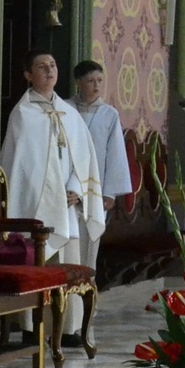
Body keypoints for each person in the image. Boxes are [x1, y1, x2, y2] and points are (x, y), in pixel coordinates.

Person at [0, 50, 105, 277]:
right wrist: (51, 194)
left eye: (53, 65)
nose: (49, 70)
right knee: (40, 274)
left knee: (69, 278)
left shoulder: (70, 113)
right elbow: (20, 167)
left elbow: (84, 158)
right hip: (36, 208)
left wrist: (76, 189)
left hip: (67, 209)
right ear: (28, 75)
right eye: (42, 66)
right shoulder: (22, 114)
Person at [68, 60, 134, 266]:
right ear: (78, 82)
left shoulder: (109, 114)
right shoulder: (65, 109)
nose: (96, 86)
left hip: (95, 185)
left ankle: (87, 281)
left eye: (99, 80)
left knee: (90, 239)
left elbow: (115, 153)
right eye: (90, 81)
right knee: (69, 240)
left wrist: (110, 193)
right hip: (67, 185)